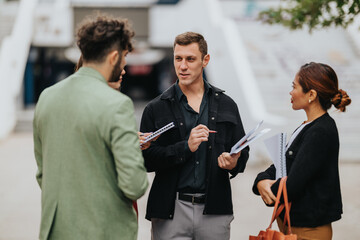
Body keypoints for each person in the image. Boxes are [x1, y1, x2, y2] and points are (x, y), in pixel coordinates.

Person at [33, 15, 149, 240]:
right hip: (103, 231)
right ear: (114, 57)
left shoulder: (47, 97)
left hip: (55, 231)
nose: (125, 65)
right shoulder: (117, 105)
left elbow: (42, 174)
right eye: (125, 57)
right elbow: (135, 185)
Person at [140, 31, 250, 240]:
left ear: (205, 60)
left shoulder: (227, 104)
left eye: (190, 59)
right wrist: (185, 147)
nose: (182, 66)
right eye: (178, 58)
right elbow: (146, 161)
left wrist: (233, 163)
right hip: (170, 211)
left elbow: (242, 154)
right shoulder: (155, 108)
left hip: (215, 210)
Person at [253, 62, 351, 240]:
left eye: (294, 87)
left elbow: (293, 184)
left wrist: (267, 188)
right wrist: (260, 181)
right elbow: (282, 165)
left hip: (308, 232)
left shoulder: (320, 131)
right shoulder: (308, 126)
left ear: (311, 95)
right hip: (294, 229)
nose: (290, 92)